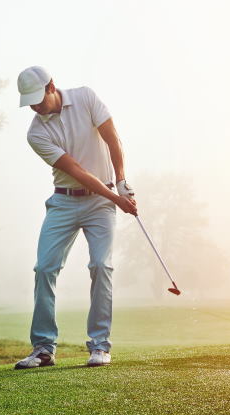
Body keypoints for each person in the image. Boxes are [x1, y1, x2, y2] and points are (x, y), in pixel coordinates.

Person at [14, 66, 137, 369]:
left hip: (100, 203)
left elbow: (113, 139)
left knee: (101, 265)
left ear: (51, 86)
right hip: (63, 202)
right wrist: (117, 199)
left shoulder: (86, 97)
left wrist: (121, 182)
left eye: (38, 98)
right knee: (44, 268)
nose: (35, 106)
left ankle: (100, 346)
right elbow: (78, 172)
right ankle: (43, 349)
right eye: (29, 101)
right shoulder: (36, 133)